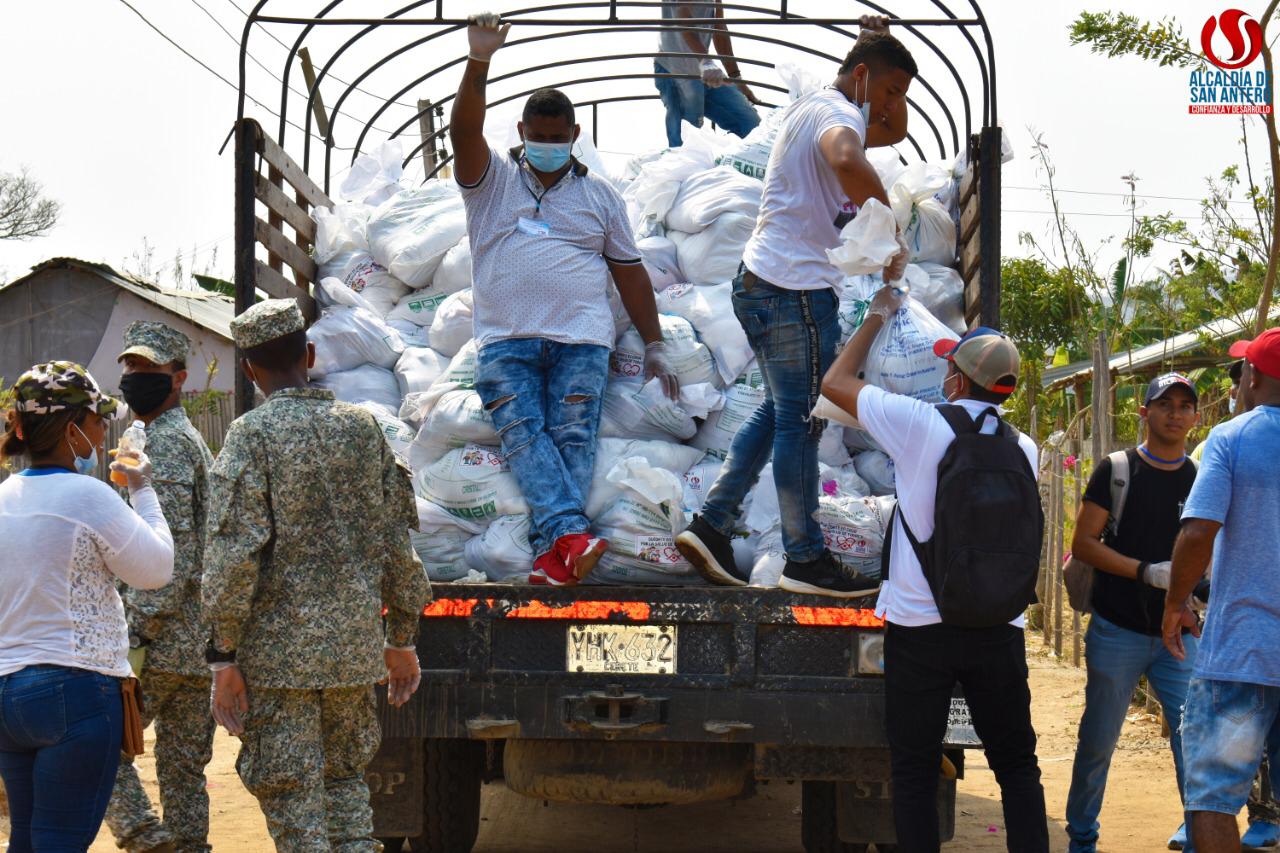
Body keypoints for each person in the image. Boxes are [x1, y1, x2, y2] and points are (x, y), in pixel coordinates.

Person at [676, 29, 916, 596]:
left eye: (901, 93)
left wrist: (885, 92)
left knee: (777, 411)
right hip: (794, 293)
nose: (890, 105)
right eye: (888, 89)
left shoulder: (817, 104)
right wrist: (886, 226)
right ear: (860, 76)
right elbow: (844, 153)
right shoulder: (837, 115)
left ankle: (712, 524)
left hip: (761, 284)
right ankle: (804, 558)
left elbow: (893, 130)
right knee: (802, 424)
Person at [451, 13, 680, 586]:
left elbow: (629, 274)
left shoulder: (600, 196)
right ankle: (568, 537)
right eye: (539, 137)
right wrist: (479, 60)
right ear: (523, 131)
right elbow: (462, 134)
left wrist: (654, 344)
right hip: (506, 341)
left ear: (574, 135)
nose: (548, 146)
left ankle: (558, 554)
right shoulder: (492, 180)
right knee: (525, 433)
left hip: (582, 341)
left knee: (573, 438)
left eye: (558, 138)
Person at [201, 299, 433, 851]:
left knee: (293, 799)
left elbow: (234, 560)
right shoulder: (363, 430)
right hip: (355, 655)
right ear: (309, 354)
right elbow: (398, 549)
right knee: (344, 786)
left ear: (251, 370)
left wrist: (223, 656)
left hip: (279, 664)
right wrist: (400, 639)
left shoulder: (251, 436)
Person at [821, 300, 1050, 852]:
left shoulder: (919, 424)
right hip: (999, 628)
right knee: (1018, 766)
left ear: (956, 377)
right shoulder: (1025, 447)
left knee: (916, 769)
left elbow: (835, 383)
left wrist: (876, 316)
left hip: (921, 630)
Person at [0, 362, 174, 852]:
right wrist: (142, 491)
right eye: (98, 421)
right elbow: (157, 568)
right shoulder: (88, 495)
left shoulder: (3, 497)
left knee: (28, 842)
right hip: (75, 692)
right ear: (72, 429)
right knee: (59, 843)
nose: (102, 433)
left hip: (8, 694)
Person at [1062, 373, 1202, 853]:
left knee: (1193, 737)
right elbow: (1083, 544)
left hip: (1179, 635)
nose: (1175, 413)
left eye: (1185, 405)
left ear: (1195, 417)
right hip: (1117, 628)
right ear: (1144, 412)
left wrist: (1188, 593)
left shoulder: (1200, 478)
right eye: (1165, 404)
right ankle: (1082, 833)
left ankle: (1196, 828)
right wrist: (1146, 572)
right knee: (1099, 739)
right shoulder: (1117, 469)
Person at [1165, 327, 1280, 853]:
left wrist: (1175, 602)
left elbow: (1196, 532)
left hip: (1243, 653)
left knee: (1210, 799)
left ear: (1253, 376)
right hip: (1248, 652)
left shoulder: (1233, 438)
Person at [103, 322, 217, 853]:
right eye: (130, 370)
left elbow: (171, 553)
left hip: (160, 641)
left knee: (100, 747)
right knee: (183, 768)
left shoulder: (166, 445)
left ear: (179, 378)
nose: (134, 381)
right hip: (197, 644)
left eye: (148, 372)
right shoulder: (170, 437)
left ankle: (145, 835)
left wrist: (138, 635)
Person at [654, 1, 761, 147]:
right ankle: (689, 167)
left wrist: (736, 77)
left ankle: (732, 161)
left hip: (704, 70)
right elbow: (683, 13)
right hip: (675, 69)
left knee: (749, 123)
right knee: (688, 140)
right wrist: (706, 61)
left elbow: (719, 26)